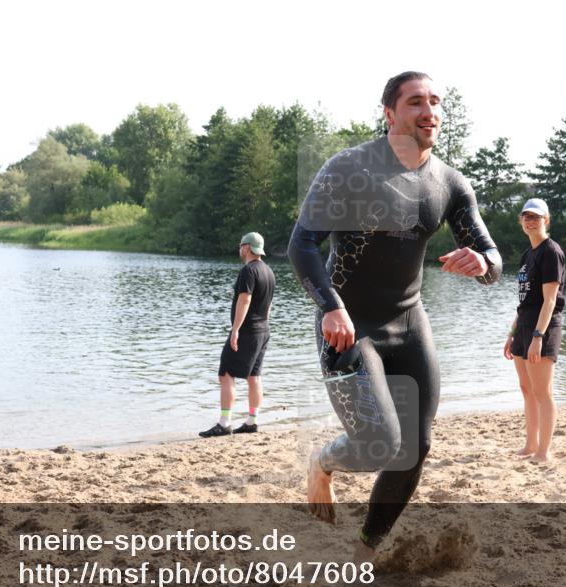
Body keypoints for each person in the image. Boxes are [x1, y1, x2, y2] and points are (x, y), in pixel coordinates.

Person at [288, 71, 502, 560]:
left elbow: (493, 258)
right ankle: (322, 463)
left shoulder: (449, 183)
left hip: (409, 323)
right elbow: (302, 243)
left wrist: (483, 262)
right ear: (389, 113)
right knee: (380, 443)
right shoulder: (350, 168)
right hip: (348, 325)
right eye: (415, 102)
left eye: (435, 102)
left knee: (416, 446)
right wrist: (330, 306)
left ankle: (367, 547)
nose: (429, 112)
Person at [502, 198, 566, 463]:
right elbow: (524, 302)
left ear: (546, 220)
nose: (530, 221)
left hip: (544, 327)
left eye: (535, 217)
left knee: (543, 392)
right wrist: (512, 333)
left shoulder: (551, 251)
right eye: (526, 217)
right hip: (525, 324)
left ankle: (543, 452)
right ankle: (530, 445)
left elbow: (549, 301)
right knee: (526, 389)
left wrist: (538, 337)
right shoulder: (527, 254)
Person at [199, 232, 276, 437]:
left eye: (241, 245)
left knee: (226, 374)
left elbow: (245, 299)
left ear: (247, 247)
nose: (239, 249)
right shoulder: (268, 271)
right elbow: (269, 305)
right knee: (254, 376)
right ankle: (252, 421)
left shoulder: (248, 270)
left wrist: (235, 330)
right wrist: (263, 325)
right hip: (263, 329)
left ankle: (224, 423)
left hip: (247, 331)